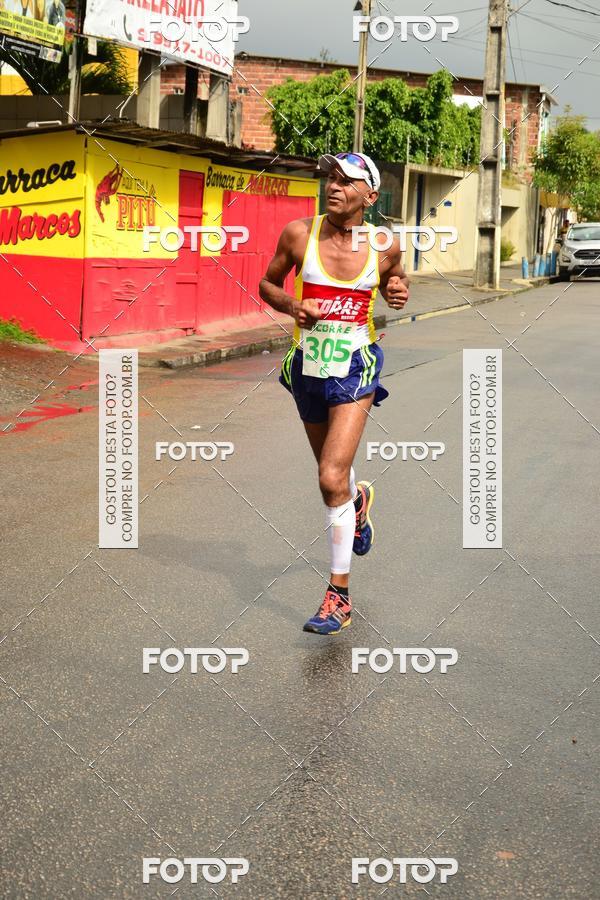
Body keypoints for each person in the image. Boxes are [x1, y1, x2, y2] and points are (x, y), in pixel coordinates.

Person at [259, 151, 409, 635]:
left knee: (329, 476)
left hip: (356, 365)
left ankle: (338, 595)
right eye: (330, 178)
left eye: (346, 181)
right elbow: (267, 282)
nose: (333, 186)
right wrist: (291, 304)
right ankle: (356, 504)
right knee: (336, 480)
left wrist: (397, 291)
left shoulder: (385, 243)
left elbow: (391, 282)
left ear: (370, 195)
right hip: (307, 365)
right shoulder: (299, 234)